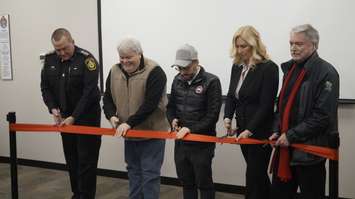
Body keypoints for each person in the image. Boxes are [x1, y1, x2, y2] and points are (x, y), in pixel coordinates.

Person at [269, 24, 339, 199]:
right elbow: (282, 106)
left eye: (299, 44)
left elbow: (323, 116)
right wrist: (277, 130)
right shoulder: (289, 69)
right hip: (285, 150)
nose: (293, 48)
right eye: (291, 43)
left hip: (310, 154)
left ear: (314, 45)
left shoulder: (327, 72)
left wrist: (291, 135)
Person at [102, 37, 169, 199]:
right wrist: (111, 116)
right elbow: (107, 98)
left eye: (129, 57)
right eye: (121, 57)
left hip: (152, 134)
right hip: (129, 134)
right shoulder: (114, 70)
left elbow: (150, 104)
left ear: (139, 54)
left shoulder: (155, 71)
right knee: (133, 172)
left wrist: (129, 123)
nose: (125, 61)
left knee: (150, 174)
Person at [40, 28, 102, 199]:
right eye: (58, 49)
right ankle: (77, 194)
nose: (62, 53)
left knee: (86, 161)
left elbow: (89, 92)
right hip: (65, 118)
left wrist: (74, 117)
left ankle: (86, 196)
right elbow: (45, 87)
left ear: (72, 41)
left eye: (65, 48)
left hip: (86, 117)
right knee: (72, 159)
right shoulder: (50, 59)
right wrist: (53, 108)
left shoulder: (86, 60)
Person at [223, 25, 279, 199]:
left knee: (254, 176)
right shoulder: (237, 66)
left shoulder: (269, 68)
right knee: (258, 177)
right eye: (237, 46)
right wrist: (227, 117)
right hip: (243, 129)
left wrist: (250, 130)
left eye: (244, 46)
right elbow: (232, 95)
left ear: (254, 45)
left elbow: (266, 105)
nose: (240, 50)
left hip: (260, 131)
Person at [167, 44, 222, 199]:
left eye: (186, 68)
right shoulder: (177, 80)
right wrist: (172, 120)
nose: (182, 72)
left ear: (196, 62)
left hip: (202, 143)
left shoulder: (212, 81)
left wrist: (190, 129)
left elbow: (212, 116)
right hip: (181, 142)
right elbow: (170, 107)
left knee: (204, 183)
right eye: (179, 68)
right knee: (186, 182)